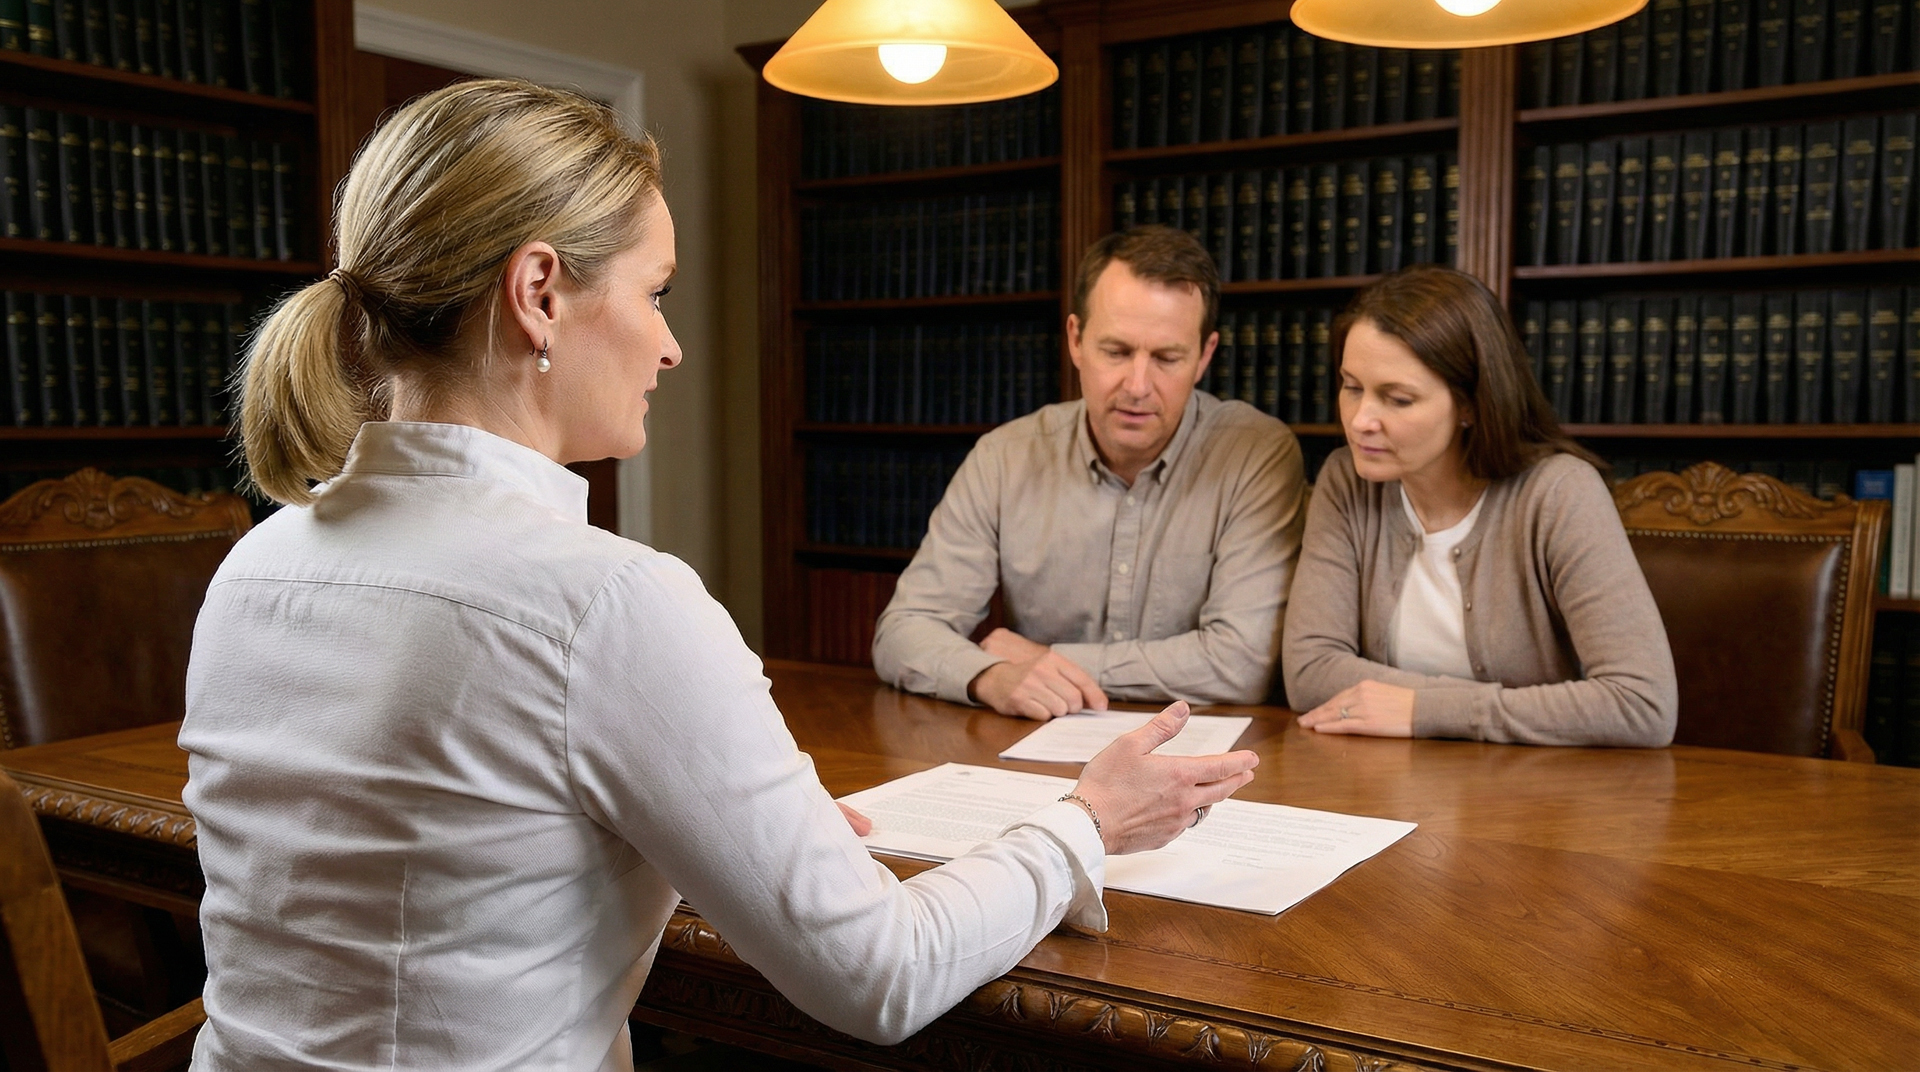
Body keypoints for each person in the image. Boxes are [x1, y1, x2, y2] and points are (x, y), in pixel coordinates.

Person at [178, 80, 1260, 1071]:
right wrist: (1088, 823)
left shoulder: (251, 567)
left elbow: (456, 866)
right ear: (540, 292)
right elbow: (881, 974)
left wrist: (732, 823)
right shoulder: (608, 605)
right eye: (655, 292)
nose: (671, 347)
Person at [872, 226, 1307, 720]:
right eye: (1116, 352)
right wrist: (989, 676)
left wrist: (1049, 660)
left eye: (1167, 358)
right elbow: (904, 629)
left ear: (1205, 356)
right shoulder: (1005, 457)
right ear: (1076, 340)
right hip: (1037, 744)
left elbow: (1242, 663)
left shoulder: (1254, 455)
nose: (1137, 386)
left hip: (1199, 747)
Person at [1282, 265, 1677, 747]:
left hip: (1538, 785)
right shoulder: (1347, 480)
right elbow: (1310, 670)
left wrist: (1424, 711)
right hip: (1382, 778)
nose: (1361, 420)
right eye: (1351, 387)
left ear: (1470, 405)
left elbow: (1642, 703)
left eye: (1398, 399)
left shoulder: (1560, 493)